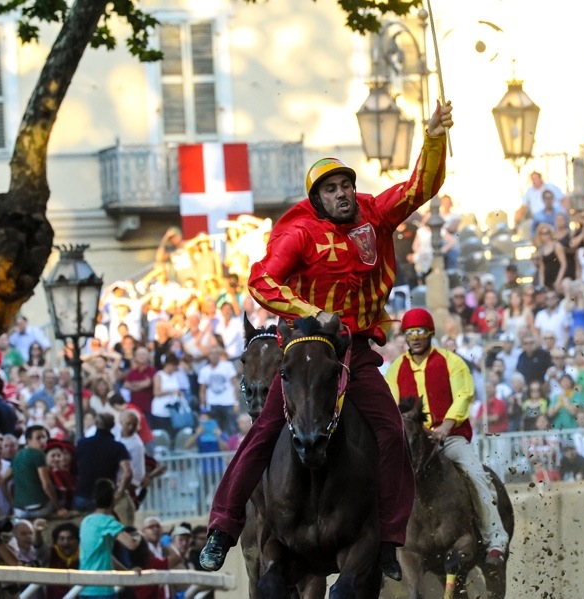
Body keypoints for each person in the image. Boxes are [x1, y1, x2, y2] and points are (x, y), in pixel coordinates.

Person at [199, 101, 454, 579]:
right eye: (331, 189)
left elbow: (423, 187)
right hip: (302, 350)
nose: (342, 194)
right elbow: (261, 283)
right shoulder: (296, 233)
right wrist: (310, 313)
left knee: (393, 434)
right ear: (316, 199)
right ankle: (223, 528)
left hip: (353, 352)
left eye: (346, 186)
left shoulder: (374, 215)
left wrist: (434, 137)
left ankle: (387, 540)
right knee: (263, 433)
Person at [385, 308, 510, 564]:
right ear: (405, 337)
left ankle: (494, 540)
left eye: (420, 331)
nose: (416, 337)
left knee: (476, 475)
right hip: (412, 443)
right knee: (382, 483)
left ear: (430, 333)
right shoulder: (396, 369)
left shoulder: (451, 361)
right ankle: (384, 550)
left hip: (450, 438)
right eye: (410, 333)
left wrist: (446, 426)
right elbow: (390, 405)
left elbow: (464, 395)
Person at [79, 478, 142, 599]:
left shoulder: (86, 521)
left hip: (85, 588)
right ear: (113, 500)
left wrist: (126, 571)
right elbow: (131, 544)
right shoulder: (108, 521)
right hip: (102, 589)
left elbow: (106, 556)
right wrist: (138, 535)